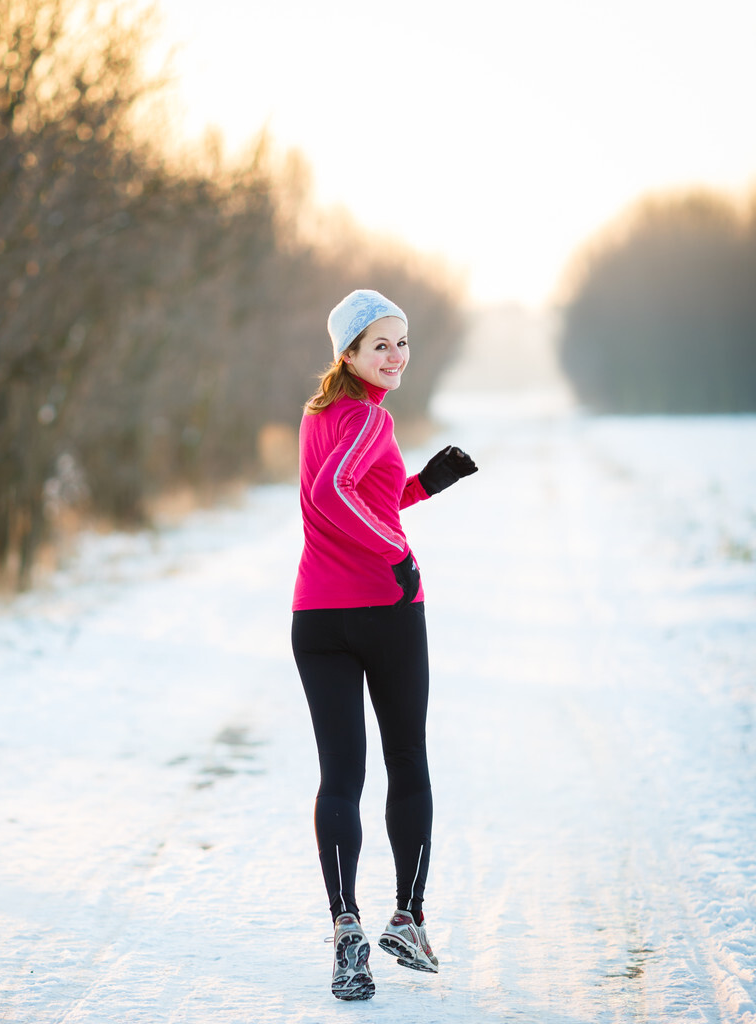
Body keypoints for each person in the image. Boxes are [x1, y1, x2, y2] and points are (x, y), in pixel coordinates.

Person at [291, 288, 478, 1001]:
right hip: (388, 609)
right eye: (381, 345)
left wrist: (425, 485)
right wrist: (395, 556)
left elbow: (360, 492)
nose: (396, 357)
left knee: (340, 778)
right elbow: (337, 497)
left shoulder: (322, 416)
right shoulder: (371, 415)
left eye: (402, 342)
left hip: (318, 618)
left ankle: (346, 929)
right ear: (349, 352)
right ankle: (407, 918)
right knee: (407, 759)